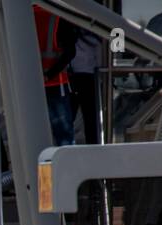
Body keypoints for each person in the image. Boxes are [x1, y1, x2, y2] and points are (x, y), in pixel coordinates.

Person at [35, 3, 79, 147]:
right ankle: (66, 168)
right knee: (63, 136)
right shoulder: (56, 16)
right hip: (55, 84)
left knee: (35, 137)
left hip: (29, 86)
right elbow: (70, 52)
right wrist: (50, 74)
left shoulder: (20, 17)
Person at [69, 31, 103, 145]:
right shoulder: (97, 40)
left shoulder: (73, 39)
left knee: (70, 115)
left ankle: (67, 143)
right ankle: (93, 144)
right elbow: (100, 62)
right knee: (90, 117)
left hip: (73, 77)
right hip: (90, 77)